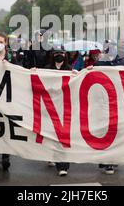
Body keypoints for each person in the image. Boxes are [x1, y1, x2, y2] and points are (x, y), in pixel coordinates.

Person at [87, 40, 124, 175]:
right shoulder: (99, 64)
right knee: (105, 133)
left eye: (112, 47)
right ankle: (106, 162)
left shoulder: (123, 63)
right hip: (103, 104)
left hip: (119, 103)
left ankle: (114, 159)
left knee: (118, 132)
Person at [0, 32, 18, 171]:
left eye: (1, 41)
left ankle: (6, 155)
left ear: (6, 42)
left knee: (6, 125)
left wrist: (10, 66)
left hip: (9, 96)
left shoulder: (13, 56)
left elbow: (21, 71)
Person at [44, 47, 73, 176]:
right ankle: (52, 156)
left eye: (61, 53)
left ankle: (63, 165)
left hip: (64, 106)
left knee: (63, 134)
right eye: (56, 53)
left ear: (65, 55)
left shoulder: (70, 69)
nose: (59, 55)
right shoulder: (46, 68)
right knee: (51, 133)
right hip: (50, 105)